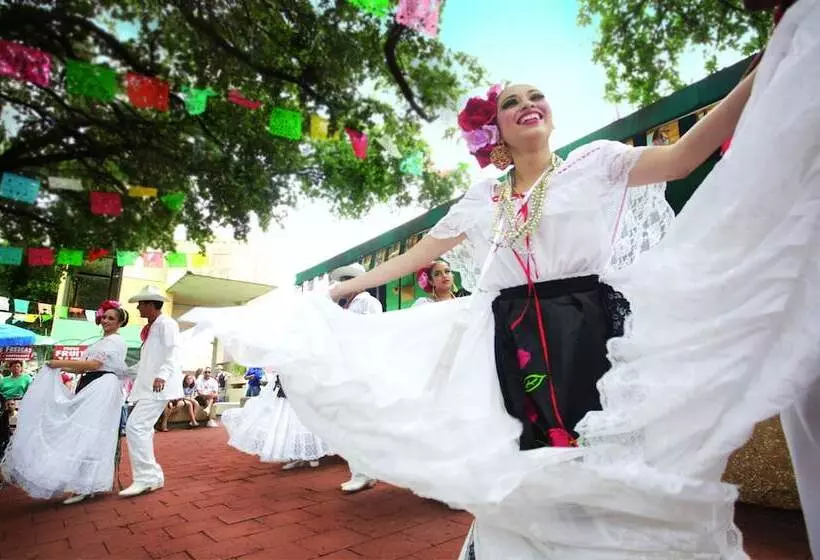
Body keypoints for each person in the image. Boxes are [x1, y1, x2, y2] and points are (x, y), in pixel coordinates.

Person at [183, 10, 812, 552]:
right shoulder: (482, 198)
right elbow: (417, 255)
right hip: (510, 335)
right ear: (497, 131)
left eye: (536, 96)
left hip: (588, 325)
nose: (527, 104)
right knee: (528, 460)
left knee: (601, 459)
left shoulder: (598, 163)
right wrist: (339, 290)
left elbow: (683, 156)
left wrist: (761, 74)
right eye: (511, 101)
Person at [0, 301, 129, 505]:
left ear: (120, 323)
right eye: (104, 317)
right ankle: (85, 484)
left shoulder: (114, 341)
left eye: (111, 318)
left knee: (87, 432)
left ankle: (86, 485)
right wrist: (57, 368)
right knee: (85, 433)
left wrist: (59, 363)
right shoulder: (101, 341)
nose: (105, 320)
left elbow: (94, 364)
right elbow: (83, 367)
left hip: (102, 386)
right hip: (92, 383)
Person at [119, 285, 183, 498]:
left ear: (150, 305)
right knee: (141, 428)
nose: (138, 308)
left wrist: (163, 375)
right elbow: (146, 363)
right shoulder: (153, 327)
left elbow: (174, 351)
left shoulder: (167, 324)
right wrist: (122, 372)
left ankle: (147, 477)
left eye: (141, 304)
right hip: (150, 386)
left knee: (135, 427)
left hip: (159, 387)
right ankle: (152, 476)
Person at [329, 263, 383, 493]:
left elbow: (372, 334)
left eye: (345, 281)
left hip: (362, 369)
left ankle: (364, 472)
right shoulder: (348, 305)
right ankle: (362, 472)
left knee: (360, 423)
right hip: (349, 369)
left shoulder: (368, 302)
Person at [221, 373, 331, 470]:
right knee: (287, 428)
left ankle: (311, 455)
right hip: (285, 398)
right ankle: (296, 456)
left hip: (300, 397)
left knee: (303, 425)